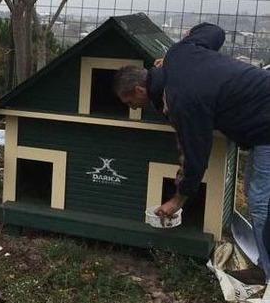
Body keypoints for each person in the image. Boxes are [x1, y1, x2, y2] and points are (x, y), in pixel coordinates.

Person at [114, 23, 270, 281]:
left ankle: (267, 273)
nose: (133, 108)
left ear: (140, 89)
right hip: (261, 118)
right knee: (254, 193)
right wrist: (185, 41)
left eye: (131, 102)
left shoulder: (180, 100)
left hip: (266, 125)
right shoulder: (178, 53)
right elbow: (214, 31)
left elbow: (195, 156)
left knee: (261, 202)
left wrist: (178, 200)